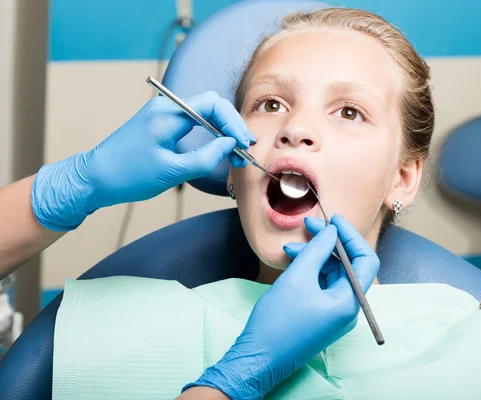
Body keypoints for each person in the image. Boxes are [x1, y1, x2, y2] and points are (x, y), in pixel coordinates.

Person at [0, 51, 379, 400]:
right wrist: (77, 183)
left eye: (348, 112)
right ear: (234, 166)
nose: (295, 128)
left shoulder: (440, 330)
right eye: (271, 104)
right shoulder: (102, 332)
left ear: (404, 176)